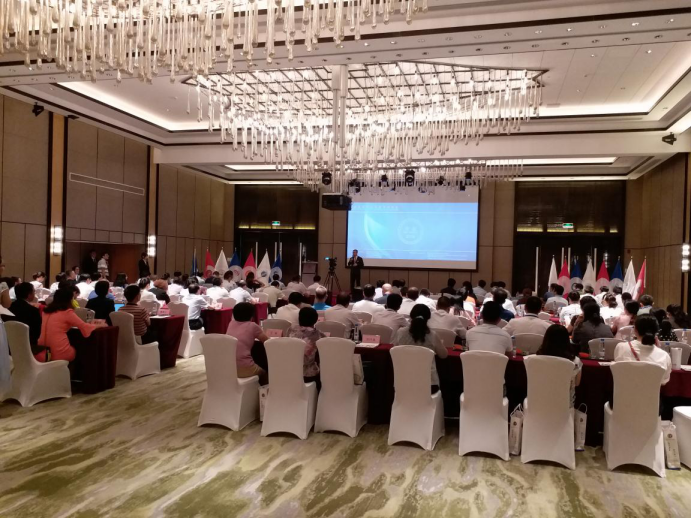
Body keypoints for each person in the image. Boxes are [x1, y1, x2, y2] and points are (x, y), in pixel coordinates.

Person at [35, 288, 105, 362]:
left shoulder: (46, 311)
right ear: (69, 299)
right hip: (58, 352)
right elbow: (85, 327)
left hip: (43, 351)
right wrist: (101, 325)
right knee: (78, 348)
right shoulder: (67, 312)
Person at [394, 304, 448, 392]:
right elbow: (443, 355)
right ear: (428, 318)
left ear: (411, 316)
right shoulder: (432, 335)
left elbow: (395, 350)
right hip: (429, 384)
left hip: (403, 383)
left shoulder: (401, 333)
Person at [614, 315, 672, 385]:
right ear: (656, 331)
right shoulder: (664, 356)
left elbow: (619, 373)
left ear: (635, 330)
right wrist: (658, 351)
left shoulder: (621, 347)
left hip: (623, 391)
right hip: (651, 392)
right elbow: (663, 382)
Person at [537, 325, 582, 407]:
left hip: (538, 403)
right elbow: (577, 383)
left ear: (546, 339)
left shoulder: (534, 360)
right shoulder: (575, 362)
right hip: (565, 406)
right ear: (567, 340)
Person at [226, 302, 269, 385]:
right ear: (251, 315)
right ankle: (264, 392)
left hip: (229, 367)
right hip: (245, 367)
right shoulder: (252, 326)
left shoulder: (231, 323)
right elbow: (267, 341)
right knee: (264, 373)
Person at [288, 307, 324, 386]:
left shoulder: (291, 331)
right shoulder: (319, 335)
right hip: (309, 375)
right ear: (316, 320)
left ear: (299, 318)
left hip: (291, 372)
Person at [8, 282, 42, 349]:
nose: (34, 294)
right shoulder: (33, 311)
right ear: (29, 295)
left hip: (10, 344)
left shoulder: (9, 308)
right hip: (28, 345)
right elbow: (37, 332)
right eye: (34, 291)